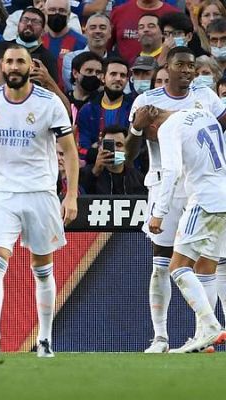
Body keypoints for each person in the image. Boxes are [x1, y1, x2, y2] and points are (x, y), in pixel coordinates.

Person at [125, 46, 226, 354]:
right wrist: (135, 128)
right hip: (166, 187)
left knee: (208, 263)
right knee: (161, 263)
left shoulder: (206, 97)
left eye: (191, 65)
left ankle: (203, 335)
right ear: (165, 68)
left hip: (198, 188)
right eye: (180, 64)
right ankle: (160, 337)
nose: (186, 70)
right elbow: (129, 155)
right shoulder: (147, 101)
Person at [0, 43, 80, 358]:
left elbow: (68, 150)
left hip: (40, 193)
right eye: (9, 61)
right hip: (2, 194)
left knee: (42, 268)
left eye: (20, 62)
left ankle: (45, 340)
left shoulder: (49, 103)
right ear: (2, 66)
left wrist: (71, 195)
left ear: (30, 67)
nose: (14, 67)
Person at [77, 57, 134, 163]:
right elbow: (82, 148)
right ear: (103, 78)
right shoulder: (87, 110)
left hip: (127, 169)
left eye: (122, 75)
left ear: (127, 80)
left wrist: (117, 159)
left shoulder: (134, 108)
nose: (118, 78)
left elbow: (138, 146)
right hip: (96, 169)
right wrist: (100, 157)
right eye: (113, 74)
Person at [79, 125, 147, 194]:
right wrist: (94, 172)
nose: (114, 149)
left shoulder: (138, 180)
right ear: (100, 148)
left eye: (119, 145)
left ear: (126, 150)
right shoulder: (83, 174)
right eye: (109, 145)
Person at [110, 0, 178, 65]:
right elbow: (105, 48)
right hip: (123, 73)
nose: (146, 30)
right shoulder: (119, 13)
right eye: (141, 27)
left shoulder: (174, 14)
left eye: (151, 26)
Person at [62, 12, 113, 92]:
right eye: (93, 28)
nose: (97, 31)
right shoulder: (71, 58)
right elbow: (73, 87)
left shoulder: (116, 62)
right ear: (85, 32)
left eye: (102, 28)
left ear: (110, 33)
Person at [12, 7, 60, 82]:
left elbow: (51, 89)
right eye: (25, 20)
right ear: (18, 24)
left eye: (35, 22)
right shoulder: (3, 48)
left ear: (43, 30)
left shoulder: (48, 58)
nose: (29, 24)